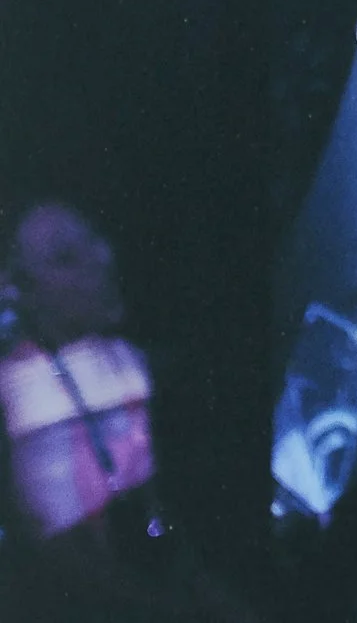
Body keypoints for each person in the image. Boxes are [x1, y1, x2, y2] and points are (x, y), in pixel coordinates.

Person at [0, 202, 250, 622]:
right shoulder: (24, 392)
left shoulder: (125, 360)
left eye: (94, 237)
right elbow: (67, 561)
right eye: (65, 258)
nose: (102, 257)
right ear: (23, 292)